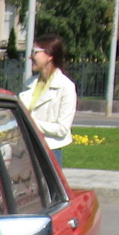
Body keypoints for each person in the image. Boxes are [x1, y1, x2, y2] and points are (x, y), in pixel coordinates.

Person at [19, 33, 76, 166]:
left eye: (35, 52)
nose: (30, 57)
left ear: (50, 56)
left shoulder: (66, 87)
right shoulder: (30, 83)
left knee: (48, 187)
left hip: (49, 151)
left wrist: (31, 123)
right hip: (26, 148)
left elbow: (62, 129)